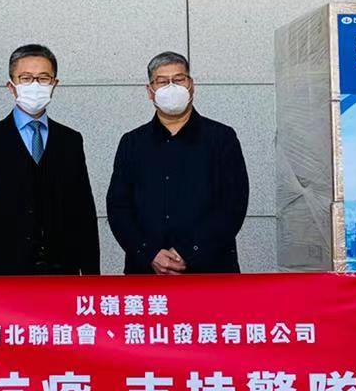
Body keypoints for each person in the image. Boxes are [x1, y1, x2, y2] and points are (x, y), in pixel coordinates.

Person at [0, 42, 100, 276]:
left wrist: (92, 275)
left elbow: (83, 210)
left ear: (54, 85)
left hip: (61, 272)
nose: (35, 85)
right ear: (11, 86)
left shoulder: (70, 140)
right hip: (2, 272)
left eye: (43, 78)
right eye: (25, 78)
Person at [106, 51, 249, 275]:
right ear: (150, 91)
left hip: (211, 271)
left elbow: (233, 205)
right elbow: (118, 207)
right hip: (146, 272)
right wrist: (150, 253)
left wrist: (189, 251)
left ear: (191, 86)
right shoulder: (132, 143)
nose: (171, 87)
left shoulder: (222, 138)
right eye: (162, 81)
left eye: (179, 79)